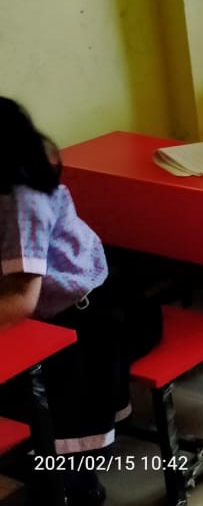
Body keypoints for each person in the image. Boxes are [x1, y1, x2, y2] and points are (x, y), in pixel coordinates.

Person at [0, 98, 161, 506]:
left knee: (62, 397)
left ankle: (76, 480)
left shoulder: (23, 200)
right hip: (48, 312)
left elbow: (21, 298)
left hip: (93, 313)